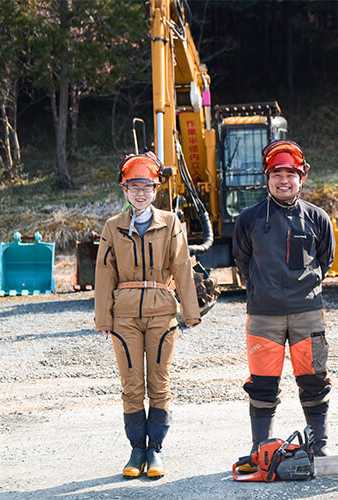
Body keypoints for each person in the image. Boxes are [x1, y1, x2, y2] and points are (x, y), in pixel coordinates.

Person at [94, 151, 201, 479]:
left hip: (162, 314)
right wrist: (103, 319)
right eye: (133, 187)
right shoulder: (112, 228)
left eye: (147, 187)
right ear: (124, 190)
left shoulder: (171, 223)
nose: (140, 193)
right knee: (131, 385)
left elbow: (182, 266)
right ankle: (136, 449)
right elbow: (103, 274)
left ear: (156, 190)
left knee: (159, 382)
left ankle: (155, 449)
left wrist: (190, 311)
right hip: (124, 316)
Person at [232, 139, 335, 467]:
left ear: (302, 177)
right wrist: (263, 291)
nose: (284, 180)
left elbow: (325, 260)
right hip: (263, 318)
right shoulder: (248, 219)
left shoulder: (318, 219)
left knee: (316, 380)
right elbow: (242, 261)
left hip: (309, 315)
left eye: (291, 173)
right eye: (277, 173)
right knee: (261, 386)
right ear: (267, 178)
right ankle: (260, 449)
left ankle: (319, 448)